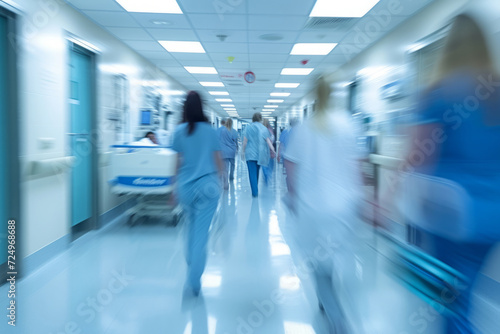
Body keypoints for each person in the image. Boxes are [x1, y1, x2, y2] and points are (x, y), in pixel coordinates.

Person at [401, 5, 500, 333]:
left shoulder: (437, 94)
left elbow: (417, 155)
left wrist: (386, 198)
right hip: (492, 215)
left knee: (452, 304)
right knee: (467, 293)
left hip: (451, 215)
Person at [284, 77, 361, 332]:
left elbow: (290, 166)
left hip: (313, 207)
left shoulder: (305, 128)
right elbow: (358, 166)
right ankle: (329, 303)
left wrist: (292, 197)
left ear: (314, 96)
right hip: (344, 207)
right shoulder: (349, 125)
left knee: (319, 264)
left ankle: (337, 318)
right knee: (337, 257)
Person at [172, 91, 224, 297]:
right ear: (202, 107)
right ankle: (194, 280)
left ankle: (192, 266)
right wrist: (223, 181)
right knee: (202, 233)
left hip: (185, 186)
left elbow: (176, 162)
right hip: (208, 186)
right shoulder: (210, 131)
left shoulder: (179, 131)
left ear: (185, 108)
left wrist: (173, 188)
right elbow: (218, 158)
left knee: (190, 230)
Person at [242, 112, 276, 197]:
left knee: (252, 173)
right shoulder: (264, 128)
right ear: (260, 119)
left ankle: (255, 191)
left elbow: (245, 141)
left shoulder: (248, 127)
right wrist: (273, 150)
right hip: (260, 154)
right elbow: (268, 141)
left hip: (250, 154)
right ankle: (255, 188)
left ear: (252, 119)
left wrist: (242, 151)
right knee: (256, 172)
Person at [219, 118, 239, 189]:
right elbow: (236, 141)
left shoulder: (222, 131)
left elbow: (220, 140)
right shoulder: (234, 131)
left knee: (225, 167)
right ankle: (231, 176)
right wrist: (237, 149)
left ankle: (225, 182)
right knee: (233, 164)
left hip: (224, 151)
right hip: (232, 151)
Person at [261, 118, 276, 186]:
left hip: (263, 151)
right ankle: (268, 175)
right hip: (270, 151)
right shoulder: (270, 131)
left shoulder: (262, 131)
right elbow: (272, 140)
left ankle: (266, 175)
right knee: (270, 165)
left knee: (264, 165)